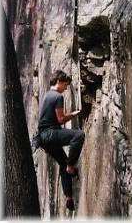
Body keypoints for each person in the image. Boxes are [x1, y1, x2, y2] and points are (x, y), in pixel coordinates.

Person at [38, 70, 85, 211]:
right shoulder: (57, 96)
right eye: (65, 85)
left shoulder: (46, 95)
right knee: (79, 135)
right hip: (50, 134)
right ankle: (71, 166)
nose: (66, 88)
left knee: (62, 163)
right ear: (59, 81)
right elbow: (61, 119)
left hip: (43, 138)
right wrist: (73, 114)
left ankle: (69, 197)